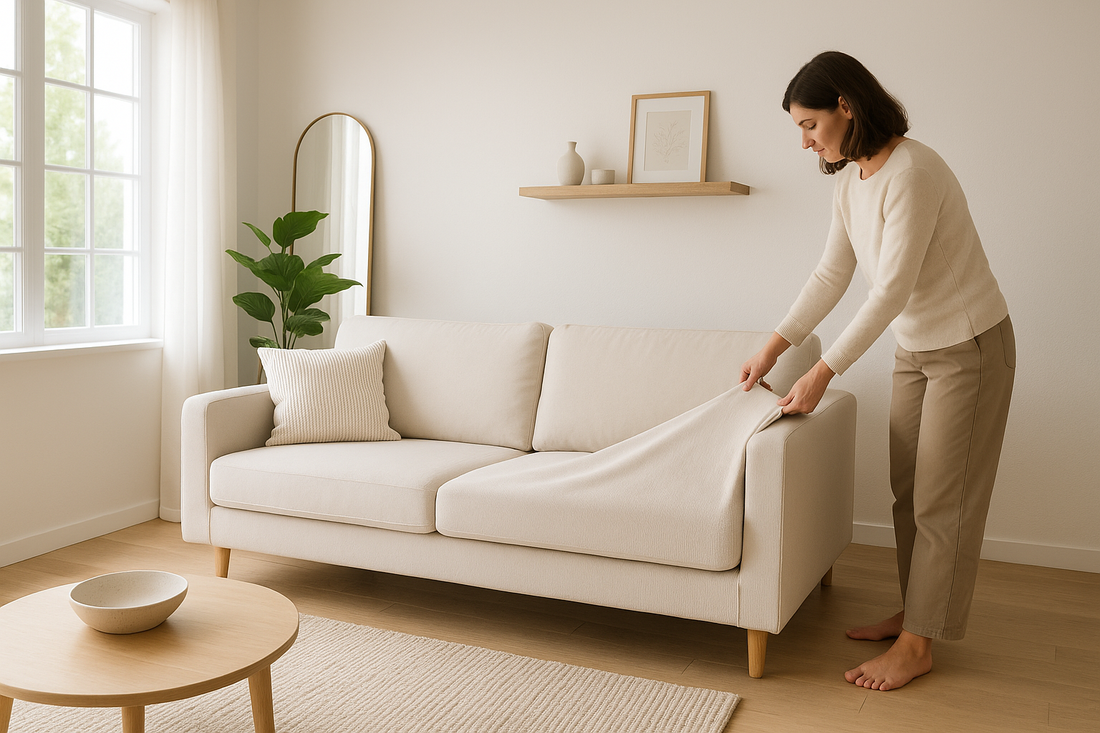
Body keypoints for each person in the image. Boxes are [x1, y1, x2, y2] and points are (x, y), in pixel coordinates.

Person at [740, 51, 1015, 691]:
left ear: (846, 106)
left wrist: (823, 372)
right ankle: (917, 612)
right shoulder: (852, 179)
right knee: (907, 491)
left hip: (970, 348)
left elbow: (890, 289)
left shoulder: (912, 172)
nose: (804, 140)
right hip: (917, 350)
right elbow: (833, 273)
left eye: (809, 124)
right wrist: (776, 345)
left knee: (942, 500)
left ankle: (919, 645)